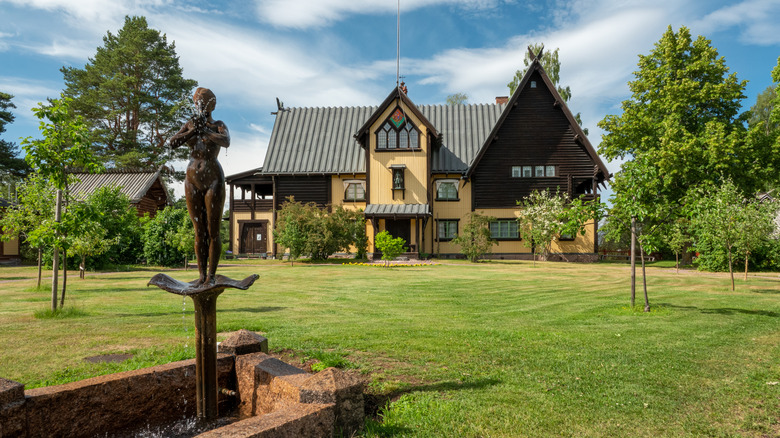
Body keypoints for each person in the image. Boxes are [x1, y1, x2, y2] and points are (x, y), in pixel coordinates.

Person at [169, 87, 229, 287]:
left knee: (213, 231)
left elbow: (226, 141)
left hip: (213, 180)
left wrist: (205, 130)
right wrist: (194, 129)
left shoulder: (218, 125)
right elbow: (173, 142)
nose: (199, 106)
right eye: (196, 102)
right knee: (198, 231)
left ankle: (211, 275)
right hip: (192, 180)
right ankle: (201, 275)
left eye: (202, 102)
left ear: (211, 105)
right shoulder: (189, 125)